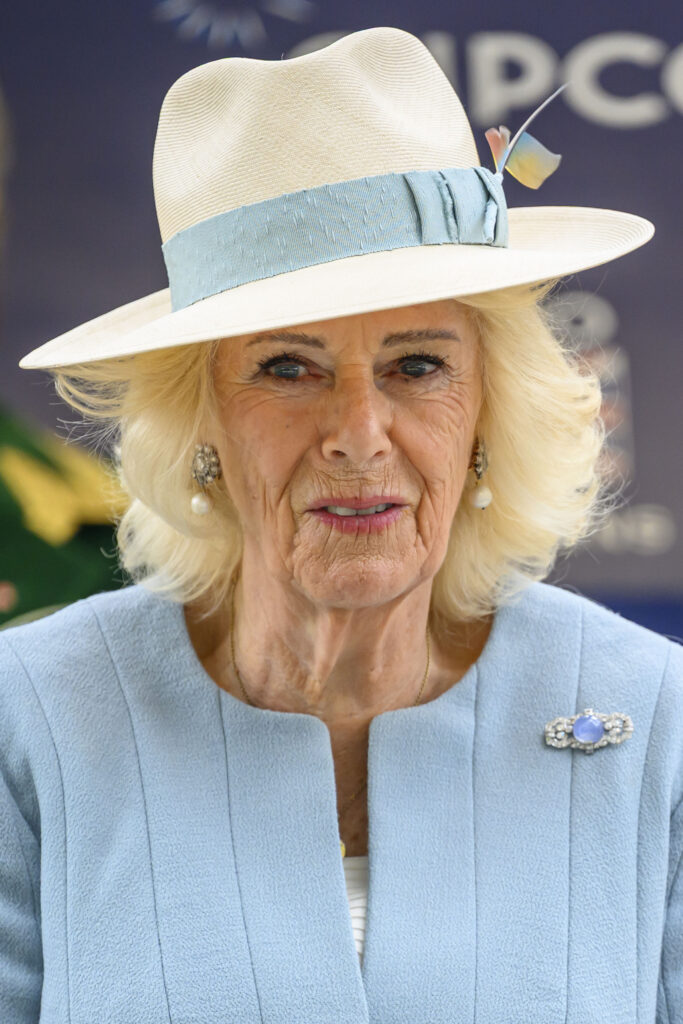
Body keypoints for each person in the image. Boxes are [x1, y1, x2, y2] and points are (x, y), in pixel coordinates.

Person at [1, 25, 680, 1024]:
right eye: (287, 367)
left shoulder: (652, 717)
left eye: (415, 364)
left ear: (488, 407)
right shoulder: (30, 717)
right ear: (203, 420)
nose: (359, 435)